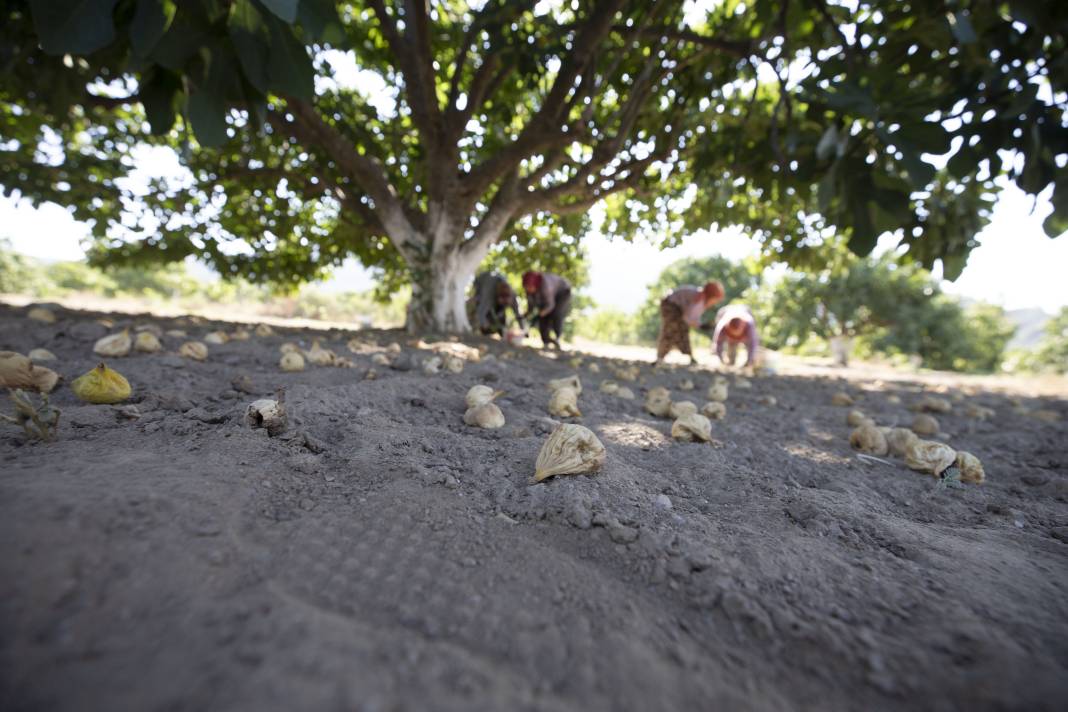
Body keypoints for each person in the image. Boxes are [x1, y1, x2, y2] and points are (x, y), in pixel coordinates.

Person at [655, 281, 725, 364]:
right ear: (711, 296)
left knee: (677, 330)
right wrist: (701, 326)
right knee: (672, 330)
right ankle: (663, 355)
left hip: (671, 304)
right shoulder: (700, 299)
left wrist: (700, 325)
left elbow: (691, 316)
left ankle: (671, 355)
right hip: (671, 305)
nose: (714, 303)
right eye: (715, 300)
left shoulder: (699, 296)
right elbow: (688, 317)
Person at [522, 271, 571, 349]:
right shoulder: (529, 289)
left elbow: (550, 305)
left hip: (563, 291)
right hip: (550, 296)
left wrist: (540, 314)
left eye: (530, 288)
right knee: (543, 317)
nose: (528, 290)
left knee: (556, 314)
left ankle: (557, 337)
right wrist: (526, 314)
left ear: (534, 284)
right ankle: (546, 341)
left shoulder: (546, 286)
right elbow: (530, 304)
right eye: (526, 288)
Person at [469, 271, 525, 337]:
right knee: (479, 306)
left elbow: (517, 314)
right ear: (498, 296)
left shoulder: (512, 296)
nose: (505, 302)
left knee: (500, 313)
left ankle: (500, 329)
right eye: (503, 300)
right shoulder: (488, 295)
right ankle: (474, 328)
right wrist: (485, 325)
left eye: (506, 302)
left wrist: (523, 329)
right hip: (481, 283)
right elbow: (480, 312)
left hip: (496, 280)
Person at [712, 303, 760, 368]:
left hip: (745, 318)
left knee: (752, 352)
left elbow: (753, 344)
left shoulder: (749, 324)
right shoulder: (722, 325)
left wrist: (749, 360)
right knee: (731, 348)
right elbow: (718, 343)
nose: (736, 336)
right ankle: (731, 362)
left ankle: (750, 362)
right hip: (727, 315)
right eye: (734, 333)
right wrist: (721, 359)